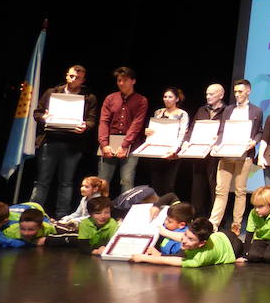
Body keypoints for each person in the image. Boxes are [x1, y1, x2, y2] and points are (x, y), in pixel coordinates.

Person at [30, 65, 98, 218]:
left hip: (73, 144)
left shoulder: (89, 97)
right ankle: (34, 214)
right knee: (42, 181)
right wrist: (43, 118)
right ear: (67, 75)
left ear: (83, 80)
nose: (74, 79)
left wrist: (85, 126)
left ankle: (62, 216)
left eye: (78, 77)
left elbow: (92, 120)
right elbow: (37, 113)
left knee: (66, 182)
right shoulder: (52, 92)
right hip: (50, 140)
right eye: (72, 76)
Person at [209, 79, 264, 234]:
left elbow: (259, 130)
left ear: (248, 91)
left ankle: (236, 224)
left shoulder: (256, 111)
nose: (237, 94)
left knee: (240, 190)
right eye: (235, 92)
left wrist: (255, 141)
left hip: (244, 155)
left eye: (240, 91)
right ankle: (214, 223)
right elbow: (222, 130)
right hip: (226, 154)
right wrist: (217, 143)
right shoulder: (228, 110)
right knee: (221, 190)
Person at [97, 67, 148, 195]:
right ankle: (98, 211)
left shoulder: (141, 100)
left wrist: (125, 145)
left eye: (124, 80)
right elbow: (103, 121)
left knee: (126, 180)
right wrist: (104, 144)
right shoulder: (110, 98)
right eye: (119, 80)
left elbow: (137, 124)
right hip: (109, 142)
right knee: (102, 181)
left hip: (131, 144)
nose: (121, 83)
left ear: (133, 81)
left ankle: (124, 212)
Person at [182, 84, 226, 216]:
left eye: (211, 94)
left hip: (215, 154)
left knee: (215, 187)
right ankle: (197, 217)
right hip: (199, 153)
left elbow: (226, 131)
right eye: (207, 94)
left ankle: (216, 220)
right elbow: (192, 128)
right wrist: (186, 141)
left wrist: (218, 139)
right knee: (197, 187)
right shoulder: (202, 110)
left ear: (221, 95)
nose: (208, 97)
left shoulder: (227, 111)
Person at [131, 218, 242, 268]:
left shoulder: (199, 259)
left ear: (201, 244)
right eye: (185, 235)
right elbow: (186, 237)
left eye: (190, 239)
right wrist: (164, 232)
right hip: (220, 235)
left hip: (233, 247)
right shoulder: (195, 239)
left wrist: (143, 258)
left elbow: (174, 261)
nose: (184, 240)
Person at [146, 87, 189, 196]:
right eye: (165, 97)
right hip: (157, 152)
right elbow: (154, 130)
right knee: (156, 184)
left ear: (177, 99)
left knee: (169, 185)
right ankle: (157, 209)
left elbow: (182, 134)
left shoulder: (182, 114)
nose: (167, 99)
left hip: (172, 154)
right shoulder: (158, 112)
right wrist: (148, 132)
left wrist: (175, 150)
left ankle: (169, 210)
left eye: (170, 97)